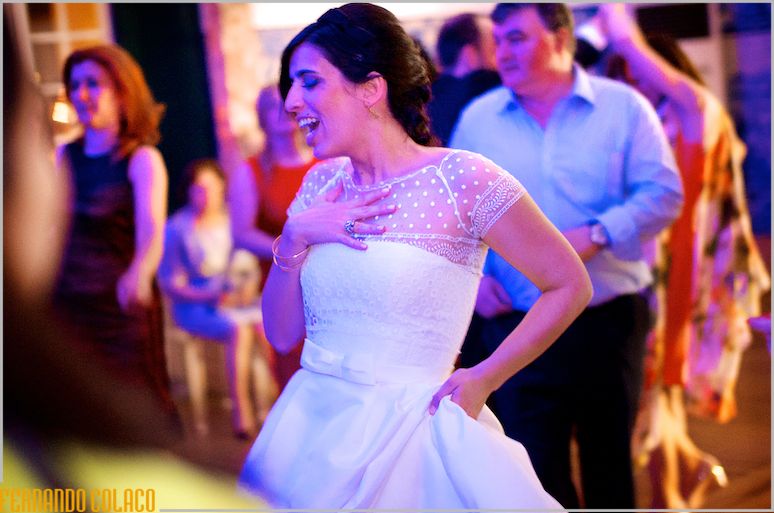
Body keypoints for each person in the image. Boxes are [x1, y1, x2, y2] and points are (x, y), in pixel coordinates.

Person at [238, 4, 592, 509]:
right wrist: (294, 237)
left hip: (414, 432)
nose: (292, 102)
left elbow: (570, 284)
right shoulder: (319, 184)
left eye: (309, 82)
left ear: (371, 89)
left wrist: (485, 376)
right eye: (291, 86)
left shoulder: (462, 179)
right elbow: (281, 333)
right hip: (311, 427)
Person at [450, 3, 683, 509]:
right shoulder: (478, 120)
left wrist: (599, 232)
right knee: (534, 472)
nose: (502, 52)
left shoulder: (624, 108)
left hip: (607, 321)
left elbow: (664, 193)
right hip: (517, 326)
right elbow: (455, 212)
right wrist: (476, 280)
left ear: (559, 39)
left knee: (609, 467)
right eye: (498, 40)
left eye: (517, 38)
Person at [601, 4, 770, 508]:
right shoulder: (638, 129)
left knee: (655, 396)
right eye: (625, 77)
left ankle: (675, 488)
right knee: (658, 399)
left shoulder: (692, 118)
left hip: (683, 283)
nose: (634, 86)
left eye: (642, 75)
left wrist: (624, 36)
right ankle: (680, 479)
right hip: (653, 282)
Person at [53, 44, 175, 415]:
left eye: (93, 83)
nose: (81, 94)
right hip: (69, 303)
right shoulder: (64, 155)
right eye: (75, 85)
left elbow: (152, 232)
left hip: (120, 306)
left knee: (133, 407)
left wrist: (140, 273)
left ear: (123, 93)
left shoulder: (142, 158)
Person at [158, 159, 272, 439]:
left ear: (222, 187)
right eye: (199, 188)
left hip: (236, 299)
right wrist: (210, 295)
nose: (206, 195)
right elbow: (170, 283)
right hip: (196, 303)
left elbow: (248, 267)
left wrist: (244, 290)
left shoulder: (234, 220)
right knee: (238, 328)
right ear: (189, 191)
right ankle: (241, 411)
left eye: (212, 187)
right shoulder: (178, 228)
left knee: (266, 324)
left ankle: (272, 403)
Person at [229, 83, 317, 391]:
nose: (283, 111)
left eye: (287, 103)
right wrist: (291, 250)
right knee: (295, 375)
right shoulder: (251, 170)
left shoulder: (324, 162)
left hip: (327, 279)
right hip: (284, 281)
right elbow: (241, 234)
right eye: (273, 106)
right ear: (262, 117)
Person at [428, 13, 501, 146]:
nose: (503, 56)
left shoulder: (423, 104)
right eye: (495, 48)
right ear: (469, 54)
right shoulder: (492, 91)